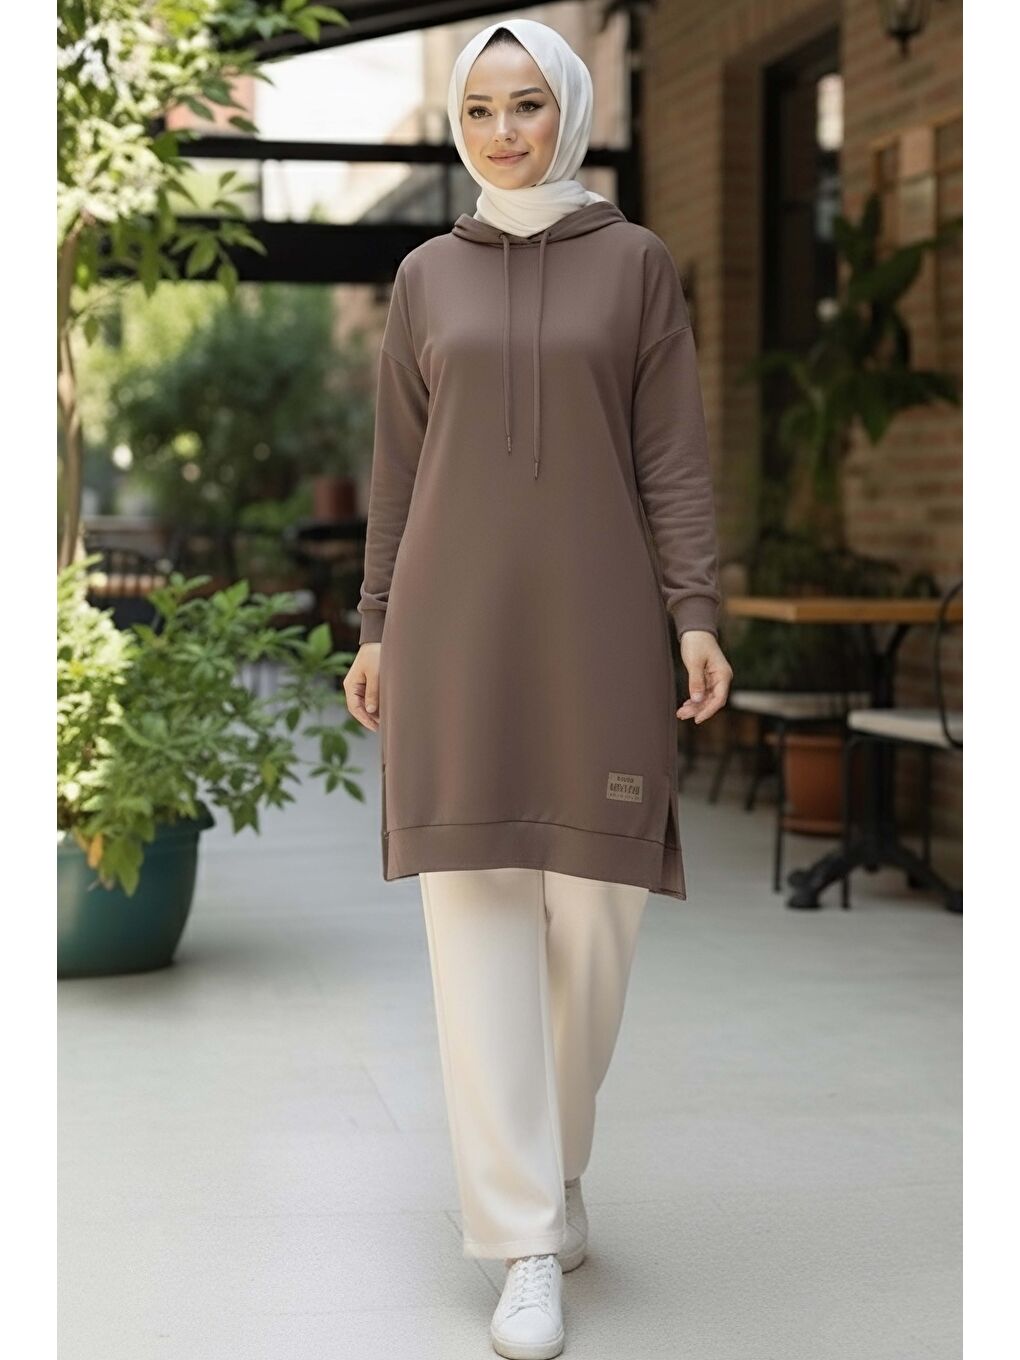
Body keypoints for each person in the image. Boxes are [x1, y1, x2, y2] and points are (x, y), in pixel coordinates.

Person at [344, 17, 733, 1359]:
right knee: (476, 936)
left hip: (603, 634)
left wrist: (694, 612)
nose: (502, 132)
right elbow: (398, 469)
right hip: (450, 637)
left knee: (596, 932)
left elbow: (673, 457)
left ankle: (559, 1163)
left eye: (526, 105)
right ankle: (520, 1237)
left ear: (567, 109)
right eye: (479, 109)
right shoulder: (424, 277)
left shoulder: (637, 264)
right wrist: (375, 624)